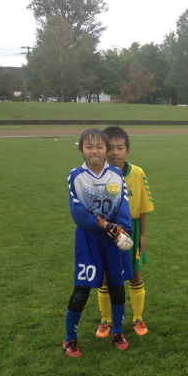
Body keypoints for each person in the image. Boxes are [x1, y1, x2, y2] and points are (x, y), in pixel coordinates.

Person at [63, 128, 134, 357]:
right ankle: (70, 339)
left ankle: (117, 332)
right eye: (89, 146)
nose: (94, 151)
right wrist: (107, 226)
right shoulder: (75, 175)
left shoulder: (116, 174)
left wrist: (123, 230)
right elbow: (78, 214)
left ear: (106, 150)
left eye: (99, 146)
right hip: (89, 239)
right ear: (81, 149)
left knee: (116, 287)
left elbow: (123, 205)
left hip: (113, 238)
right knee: (81, 290)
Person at [96, 126, 154, 338]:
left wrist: (143, 234)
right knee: (104, 277)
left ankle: (137, 317)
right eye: (110, 148)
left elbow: (144, 206)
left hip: (132, 230)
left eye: (120, 148)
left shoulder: (137, 173)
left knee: (135, 275)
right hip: (106, 231)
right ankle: (105, 320)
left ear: (128, 150)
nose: (114, 153)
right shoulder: (98, 175)